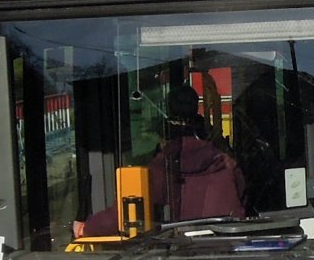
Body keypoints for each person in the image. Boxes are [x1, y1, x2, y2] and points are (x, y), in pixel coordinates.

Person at [74, 84, 246, 237]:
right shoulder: (225, 162)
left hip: (187, 253)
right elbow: (242, 197)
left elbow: (127, 213)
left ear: (165, 138)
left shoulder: (163, 168)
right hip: (229, 247)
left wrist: (87, 228)